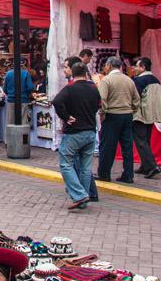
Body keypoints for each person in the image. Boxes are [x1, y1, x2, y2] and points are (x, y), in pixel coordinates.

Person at [52, 62, 101, 209]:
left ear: (73, 74)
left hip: (74, 132)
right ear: (85, 73)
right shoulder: (93, 88)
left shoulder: (70, 88)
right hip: (90, 131)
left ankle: (79, 195)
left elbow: (56, 101)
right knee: (86, 168)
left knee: (66, 164)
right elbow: (98, 105)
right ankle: (84, 196)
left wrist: (66, 116)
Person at [97, 55, 140, 183]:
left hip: (112, 115)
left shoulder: (106, 80)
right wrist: (131, 109)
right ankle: (128, 175)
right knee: (127, 146)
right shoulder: (129, 80)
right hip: (127, 115)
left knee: (107, 146)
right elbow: (136, 99)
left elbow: (102, 99)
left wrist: (102, 113)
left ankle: (104, 173)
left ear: (109, 66)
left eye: (105, 65)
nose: (104, 68)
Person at [132, 57, 161, 178]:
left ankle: (152, 167)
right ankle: (144, 166)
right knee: (146, 141)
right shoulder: (156, 80)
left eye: (137, 66)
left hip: (140, 114)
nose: (134, 69)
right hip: (152, 114)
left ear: (143, 67)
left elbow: (135, 97)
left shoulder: (138, 80)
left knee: (141, 141)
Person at [2, 61, 34, 125]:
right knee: (23, 121)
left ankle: (10, 135)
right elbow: (30, 87)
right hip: (23, 100)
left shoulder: (8, 74)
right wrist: (26, 94)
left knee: (10, 122)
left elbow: (4, 89)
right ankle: (21, 135)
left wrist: (10, 94)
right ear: (23, 65)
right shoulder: (26, 73)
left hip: (11, 100)